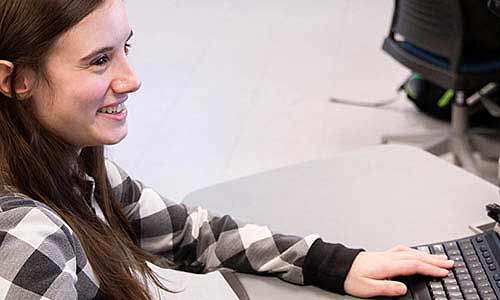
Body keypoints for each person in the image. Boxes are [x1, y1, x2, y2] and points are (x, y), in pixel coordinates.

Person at [0, 0, 454, 299]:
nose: (131, 78)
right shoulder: (28, 236)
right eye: (100, 60)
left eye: (125, 48)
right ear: (14, 80)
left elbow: (190, 234)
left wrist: (335, 264)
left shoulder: (72, 168)